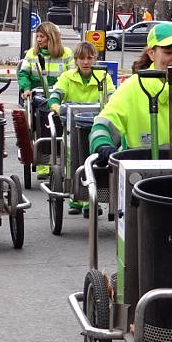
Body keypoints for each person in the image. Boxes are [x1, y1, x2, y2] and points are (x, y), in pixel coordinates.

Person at [90, 22, 172, 164]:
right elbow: (103, 124)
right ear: (151, 53)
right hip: (138, 175)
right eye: (168, 52)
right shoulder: (132, 86)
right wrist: (103, 146)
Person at [48, 42, 115, 214]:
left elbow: (112, 97)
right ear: (76, 60)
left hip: (95, 124)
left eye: (89, 58)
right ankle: (75, 198)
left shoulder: (103, 77)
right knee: (73, 159)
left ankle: (89, 202)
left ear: (95, 59)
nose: (86, 62)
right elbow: (56, 94)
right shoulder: (67, 77)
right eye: (82, 58)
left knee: (93, 159)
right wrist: (56, 106)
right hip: (72, 125)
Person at [17, 22, 75, 180]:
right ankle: (43, 159)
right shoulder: (32, 54)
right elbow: (23, 74)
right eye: (37, 36)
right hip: (39, 94)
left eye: (42, 36)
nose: (38, 39)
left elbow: (72, 75)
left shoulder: (67, 54)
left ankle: (62, 155)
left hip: (60, 94)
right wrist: (26, 88)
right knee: (43, 113)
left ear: (52, 38)